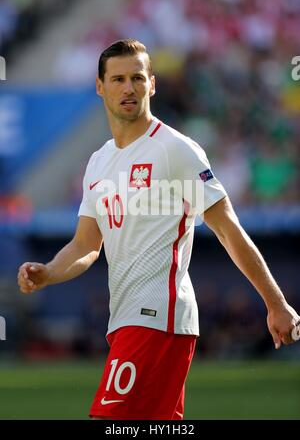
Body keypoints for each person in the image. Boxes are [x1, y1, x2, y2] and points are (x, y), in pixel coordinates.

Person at [18, 39, 300, 420]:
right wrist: (49, 272)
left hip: (157, 317)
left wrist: (275, 302)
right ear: (100, 87)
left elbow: (228, 229)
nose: (128, 87)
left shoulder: (175, 150)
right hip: (124, 321)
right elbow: (86, 244)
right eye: (117, 78)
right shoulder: (98, 162)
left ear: (152, 84)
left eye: (137, 77)